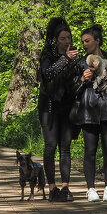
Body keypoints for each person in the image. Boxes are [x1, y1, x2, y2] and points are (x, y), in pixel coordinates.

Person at [72, 24, 107, 202]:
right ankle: (90, 189)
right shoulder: (80, 63)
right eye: (82, 42)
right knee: (90, 150)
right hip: (88, 108)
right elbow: (71, 88)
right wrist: (82, 79)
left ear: (97, 41)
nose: (84, 44)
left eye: (87, 41)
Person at [38, 17, 79, 201]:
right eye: (63, 38)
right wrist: (65, 59)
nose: (67, 42)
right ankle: (52, 188)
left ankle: (66, 188)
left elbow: (76, 80)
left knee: (66, 147)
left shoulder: (74, 55)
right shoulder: (47, 55)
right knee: (50, 146)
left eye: (69, 38)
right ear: (56, 40)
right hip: (49, 107)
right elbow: (48, 73)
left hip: (68, 106)